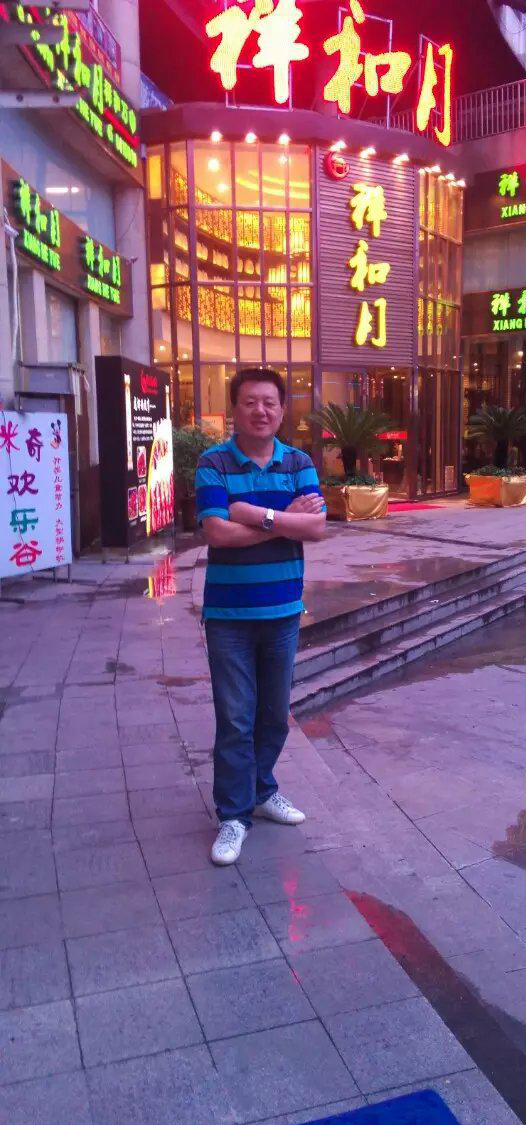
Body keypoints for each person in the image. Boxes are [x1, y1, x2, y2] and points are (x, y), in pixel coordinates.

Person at [195, 368, 327, 866]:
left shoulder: (298, 462)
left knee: (273, 714)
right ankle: (233, 815)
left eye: (270, 402)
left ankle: (261, 790)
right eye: (250, 402)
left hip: (283, 612)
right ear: (235, 408)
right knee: (235, 718)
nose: (261, 411)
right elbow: (216, 533)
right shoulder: (213, 463)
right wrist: (286, 520)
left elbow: (316, 528)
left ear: (281, 409)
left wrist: (254, 514)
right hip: (229, 615)